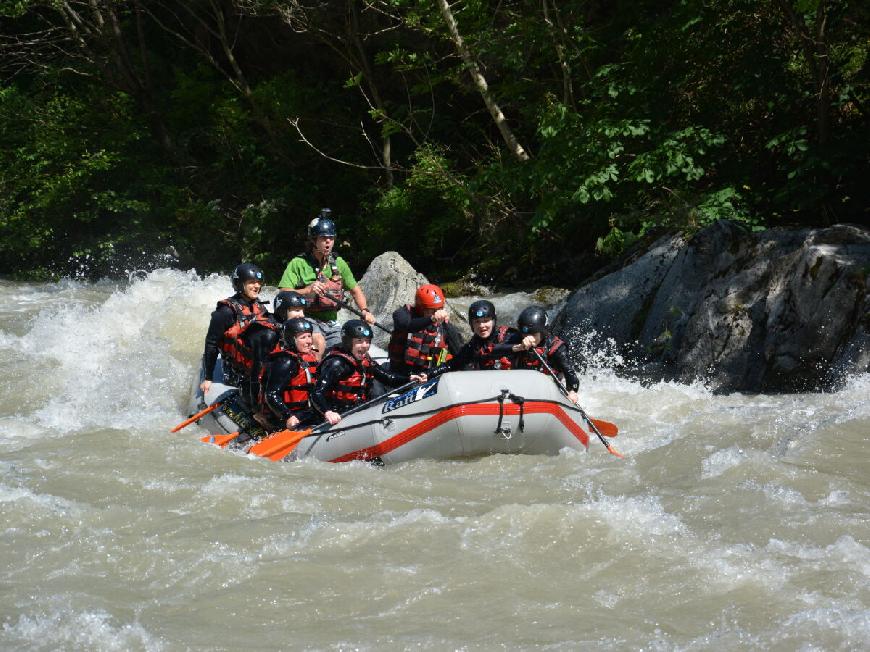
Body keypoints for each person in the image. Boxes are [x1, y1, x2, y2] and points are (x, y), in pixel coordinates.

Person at [277, 208, 375, 350]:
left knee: (344, 350)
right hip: (306, 320)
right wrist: (308, 290)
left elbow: (356, 291)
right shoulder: (298, 263)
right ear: (313, 240)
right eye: (323, 238)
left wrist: (365, 310)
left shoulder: (339, 263)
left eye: (331, 238)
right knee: (319, 342)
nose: (328, 241)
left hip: (331, 323)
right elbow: (282, 293)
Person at [310, 319, 426, 425]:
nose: (365, 346)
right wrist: (328, 412)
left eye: (367, 341)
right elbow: (317, 392)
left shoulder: (365, 360)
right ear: (348, 342)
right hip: (339, 416)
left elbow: (388, 378)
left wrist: (409, 378)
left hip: (359, 410)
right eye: (359, 341)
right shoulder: (336, 364)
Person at [200, 263, 279, 407]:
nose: (256, 286)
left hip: (257, 365)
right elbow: (211, 343)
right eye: (251, 283)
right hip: (235, 372)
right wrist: (208, 378)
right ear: (239, 284)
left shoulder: (259, 306)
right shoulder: (225, 312)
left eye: (258, 282)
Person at [259, 318, 320, 431]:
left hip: (307, 412)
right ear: (292, 340)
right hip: (286, 417)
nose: (309, 341)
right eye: (303, 338)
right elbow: (271, 394)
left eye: (309, 336)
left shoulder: (309, 357)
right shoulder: (286, 362)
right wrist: (287, 416)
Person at [387, 284, 463, 374]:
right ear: (421, 308)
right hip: (400, 374)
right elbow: (407, 325)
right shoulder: (403, 314)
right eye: (432, 310)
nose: (437, 313)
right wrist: (432, 318)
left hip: (429, 376)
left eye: (439, 309)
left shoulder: (445, 326)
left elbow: (460, 355)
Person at [512, 306, 581, 404]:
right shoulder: (516, 340)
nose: (527, 339)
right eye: (525, 334)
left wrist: (572, 392)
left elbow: (570, 375)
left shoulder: (556, 348)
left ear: (543, 332)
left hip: (549, 391)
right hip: (523, 389)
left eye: (533, 335)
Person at [432, 299, 518, 372]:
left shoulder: (510, 337)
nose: (481, 326)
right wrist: (428, 375)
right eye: (477, 322)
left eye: (486, 321)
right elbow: (452, 364)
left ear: (494, 321)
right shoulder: (472, 345)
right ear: (471, 324)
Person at [272, 289, 327, 359]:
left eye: (302, 311)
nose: (302, 315)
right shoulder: (271, 329)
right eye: (297, 310)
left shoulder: (304, 323)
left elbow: (318, 342)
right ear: (282, 311)